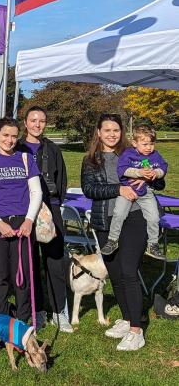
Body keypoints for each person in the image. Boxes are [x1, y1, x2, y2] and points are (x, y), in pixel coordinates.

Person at [81, 113, 164, 351]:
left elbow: (159, 181)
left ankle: (137, 331)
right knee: (116, 274)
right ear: (98, 132)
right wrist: (119, 189)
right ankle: (127, 320)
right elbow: (89, 189)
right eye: (107, 130)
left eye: (116, 130)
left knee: (128, 270)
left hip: (134, 218)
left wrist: (151, 176)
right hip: (104, 221)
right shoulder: (91, 160)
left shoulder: (136, 154)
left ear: (122, 132)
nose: (111, 134)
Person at [0, 117, 43, 323]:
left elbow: (36, 192)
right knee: (0, 276)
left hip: (23, 223)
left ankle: (23, 322)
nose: (10, 140)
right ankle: (1, 319)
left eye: (14, 136)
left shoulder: (26, 159)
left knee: (22, 275)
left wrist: (29, 220)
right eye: (5, 135)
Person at [16, 106, 72, 333]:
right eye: (33, 120)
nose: (37, 125)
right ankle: (37, 311)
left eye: (41, 121)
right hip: (24, 211)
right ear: (25, 122)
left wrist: (53, 209)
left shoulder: (52, 149)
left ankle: (60, 312)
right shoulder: (17, 147)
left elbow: (61, 182)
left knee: (55, 262)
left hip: (51, 210)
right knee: (31, 263)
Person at [99, 124, 167, 260]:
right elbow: (122, 170)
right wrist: (139, 173)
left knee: (154, 216)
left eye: (151, 144)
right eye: (145, 144)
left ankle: (152, 244)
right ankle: (112, 240)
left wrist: (156, 173)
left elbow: (163, 167)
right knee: (119, 213)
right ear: (135, 143)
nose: (148, 147)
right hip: (127, 190)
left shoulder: (155, 155)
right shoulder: (128, 154)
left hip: (146, 192)